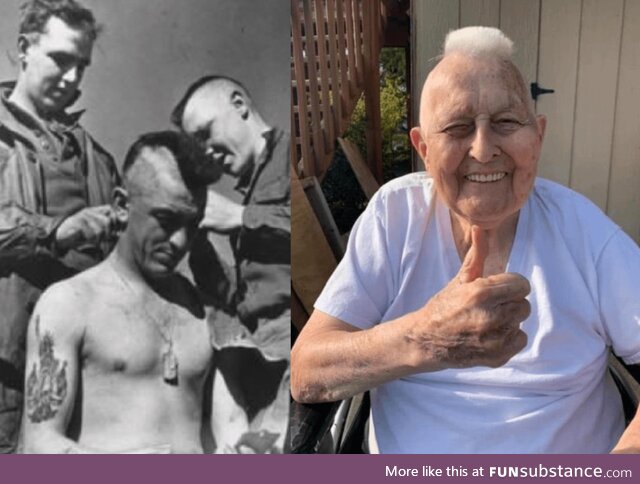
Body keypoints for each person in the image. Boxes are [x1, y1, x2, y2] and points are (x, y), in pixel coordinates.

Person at [291, 26, 640, 454]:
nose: (482, 149)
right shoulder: (394, 218)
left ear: (538, 136)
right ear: (422, 147)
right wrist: (426, 338)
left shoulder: (583, 230)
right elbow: (308, 371)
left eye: (506, 122)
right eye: (457, 127)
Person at [20, 131, 221, 453]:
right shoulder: (68, 304)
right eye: (166, 219)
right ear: (122, 205)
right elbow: (37, 448)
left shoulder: (203, 310)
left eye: (192, 224)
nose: (180, 241)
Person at [0, 0, 119, 453]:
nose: (73, 79)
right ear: (24, 48)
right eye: (61, 60)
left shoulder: (97, 159)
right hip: (6, 375)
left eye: (81, 66)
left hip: (83, 376)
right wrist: (57, 231)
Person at [171, 75, 290, 453]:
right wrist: (198, 245)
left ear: (239, 104)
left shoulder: (292, 154)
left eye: (205, 133)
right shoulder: (253, 187)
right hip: (259, 361)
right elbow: (241, 299)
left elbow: (317, 232)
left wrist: (242, 217)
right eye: (196, 146)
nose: (205, 153)